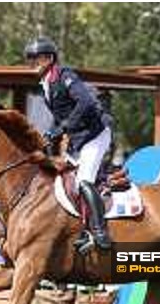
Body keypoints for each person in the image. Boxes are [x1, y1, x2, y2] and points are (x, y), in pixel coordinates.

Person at [24, 36, 113, 253]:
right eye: (31, 58)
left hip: (95, 135)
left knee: (83, 181)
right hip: (78, 140)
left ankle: (100, 233)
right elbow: (62, 114)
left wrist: (62, 128)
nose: (33, 62)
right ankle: (78, 229)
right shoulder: (45, 86)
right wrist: (49, 133)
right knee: (63, 179)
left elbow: (86, 102)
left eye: (38, 58)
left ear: (50, 59)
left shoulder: (65, 76)